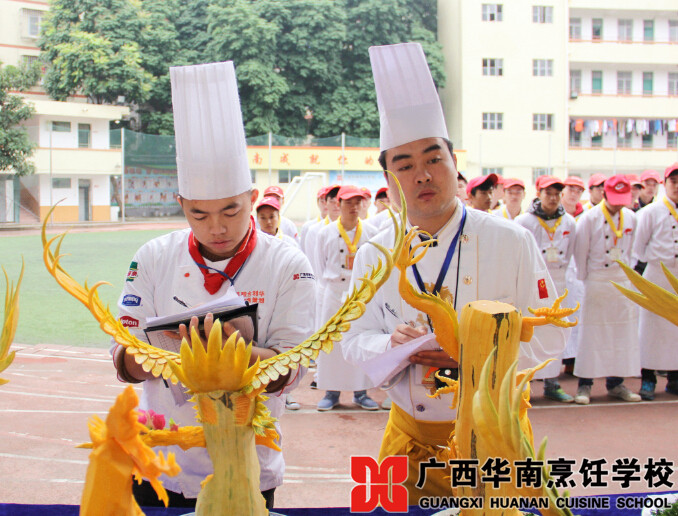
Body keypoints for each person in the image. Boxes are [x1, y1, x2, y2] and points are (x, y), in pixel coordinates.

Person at [342, 42, 567, 503]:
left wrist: (477, 356)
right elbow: (352, 343)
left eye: (433, 159)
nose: (422, 175)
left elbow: (551, 339)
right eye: (405, 166)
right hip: (410, 442)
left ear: (454, 165)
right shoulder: (375, 253)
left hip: (497, 440)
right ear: (388, 182)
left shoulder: (511, 241)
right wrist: (390, 346)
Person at [111, 62, 315, 510]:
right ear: (181, 203)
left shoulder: (288, 263)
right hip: (160, 459)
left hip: (249, 463)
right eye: (198, 214)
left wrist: (237, 353)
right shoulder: (153, 257)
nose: (216, 227)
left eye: (231, 211)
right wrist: (176, 352)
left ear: (252, 198)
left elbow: (294, 370)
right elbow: (124, 360)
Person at [572, 175, 641, 405]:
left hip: (621, 281)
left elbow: (632, 251)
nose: (618, 205)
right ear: (604, 194)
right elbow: (580, 253)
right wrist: (586, 280)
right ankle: (585, 384)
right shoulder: (589, 218)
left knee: (621, 334)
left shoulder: (631, 217)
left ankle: (616, 383)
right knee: (592, 335)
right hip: (597, 280)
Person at [315, 185, 379, 411]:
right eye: (349, 202)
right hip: (334, 292)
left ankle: (361, 392)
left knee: (360, 340)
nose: (354, 207)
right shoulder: (325, 233)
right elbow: (319, 265)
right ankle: (331, 392)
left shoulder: (371, 232)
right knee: (331, 344)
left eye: (358, 202)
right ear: (338, 204)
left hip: (360, 295)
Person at [516, 177, 576, 402]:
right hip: (533, 280)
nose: (552, 198)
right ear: (538, 194)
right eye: (548, 193)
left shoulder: (569, 222)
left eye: (556, 194)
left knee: (555, 329)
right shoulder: (524, 221)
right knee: (530, 332)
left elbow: (571, 253)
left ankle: (552, 383)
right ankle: (524, 383)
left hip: (558, 281)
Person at [632, 163, 678, 400]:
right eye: (673, 181)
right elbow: (638, 247)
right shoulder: (650, 212)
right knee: (650, 329)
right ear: (665, 184)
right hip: (657, 274)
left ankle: (674, 378)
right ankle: (648, 378)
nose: (677, 186)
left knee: (675, 329)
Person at [299, 186, 329, 253]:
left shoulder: (340, 226)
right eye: (322, 201)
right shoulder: (308, 227)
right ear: (318, 203)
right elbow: (303, 251)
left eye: (328, 200)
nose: (325, 204)